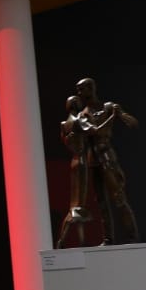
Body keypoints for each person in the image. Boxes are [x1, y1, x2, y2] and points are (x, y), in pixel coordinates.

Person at [74, 77, 139, 244]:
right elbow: (97, 132)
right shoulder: (82, 115)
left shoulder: (108, 107)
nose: (79, 93)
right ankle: (108, 238)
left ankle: (132, 237)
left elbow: (133, 123)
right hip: (93, 161)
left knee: (119, 197)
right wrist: (113, 117)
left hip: (107, 157)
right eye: (78, 90)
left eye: (81, 89)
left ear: (91, 88)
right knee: (102, 203)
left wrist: (121, 114)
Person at [56, 95, 91, 249]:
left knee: (76, 204)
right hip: (81, 161)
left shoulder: (65, 124)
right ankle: (62, 240)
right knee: (77, 205)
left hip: (74, 161)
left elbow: (66, 141)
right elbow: (93, 130)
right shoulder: (78, 121)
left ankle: (80, 241)